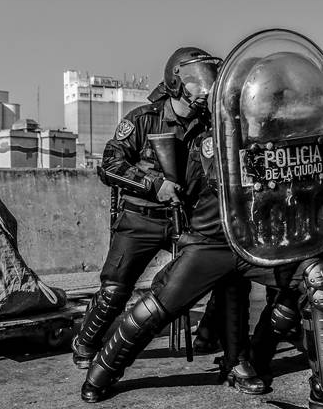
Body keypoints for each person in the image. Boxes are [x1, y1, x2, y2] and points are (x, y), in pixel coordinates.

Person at [80, 128, 266, 402]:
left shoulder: (237, 128)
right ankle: (95, 360)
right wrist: (155, 184)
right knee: (137, 300)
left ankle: (236, 357)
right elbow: (110, 165)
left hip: (227, 232)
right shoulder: (160, 124)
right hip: (169, 226)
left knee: (241, 284)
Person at [71, 48, 220, 369]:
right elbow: (110, 165)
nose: (206, 88)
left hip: (189, 220)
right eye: (198, 81)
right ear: (177, 82)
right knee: (115, 290)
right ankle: (85, 344)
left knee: (225, 274)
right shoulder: (143, 119)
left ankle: (211, 335)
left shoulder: (210, 126)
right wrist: (154, 184)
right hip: (142, 219)